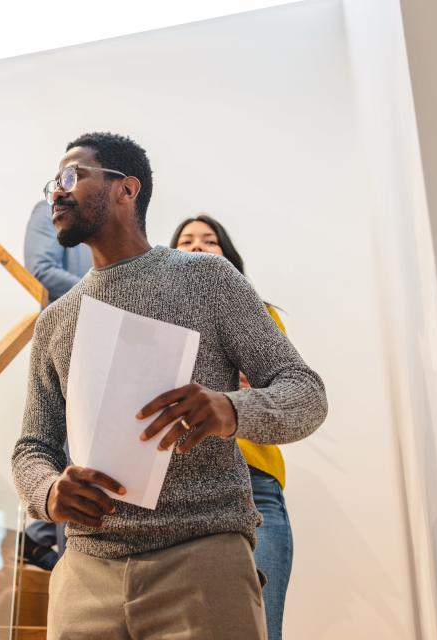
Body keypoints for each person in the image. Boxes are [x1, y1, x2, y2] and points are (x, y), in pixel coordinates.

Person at [11, 132, 328, 639]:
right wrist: (47, 492)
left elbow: (305, 393)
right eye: (54, 182)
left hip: (203, 561)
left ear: (126, 189)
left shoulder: (208, 278)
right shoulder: (55, 321)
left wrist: (231, 409)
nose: (57, 192)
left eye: (73, 176)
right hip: (85, 574)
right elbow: (33, 445)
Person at [171, 214, 292, 640]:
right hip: (178, 491)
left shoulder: (260, 316)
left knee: (261, 629)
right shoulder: (154, 323)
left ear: (228, 257)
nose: (198, 246)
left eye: (210, 240)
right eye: (186, 241)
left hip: (255, 483)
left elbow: (288, 393)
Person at [21, 200, 93, 569]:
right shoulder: (48, 212)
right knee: (65, 456)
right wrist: (105, 296)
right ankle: (54, 552)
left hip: (100, 347)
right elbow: (40, 267)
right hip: (67, 347)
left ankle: (38, 540)